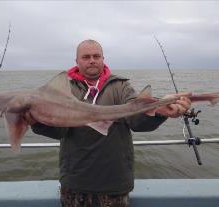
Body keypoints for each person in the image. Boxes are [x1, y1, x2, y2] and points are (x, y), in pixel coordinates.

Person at [24, 39, 191, 207]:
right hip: (75, 182)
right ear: (77, 61)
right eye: (86, 57)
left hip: (115, 183)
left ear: (103, 58)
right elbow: (59, 132)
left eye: (96, 56)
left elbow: (137, 122)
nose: (92, 60)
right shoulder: (64, 90)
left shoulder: (120, 86)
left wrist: (159, 113)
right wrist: (36, 122)